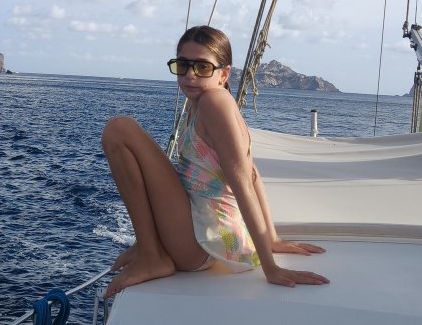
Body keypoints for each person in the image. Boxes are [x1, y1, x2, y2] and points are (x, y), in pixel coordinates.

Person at [102, 25, 329, 297]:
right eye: (183, 65)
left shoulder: (214, 103)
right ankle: (149, 245)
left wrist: (271, 268)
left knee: (120, 129)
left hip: (201, 242)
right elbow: (254, 172)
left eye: (202, 67)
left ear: (224, 73)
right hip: (205, 234)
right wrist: (271, 239)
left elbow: (243, 181)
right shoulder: (202, 102)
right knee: (127, 134)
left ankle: (153, 256)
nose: (190, 75)